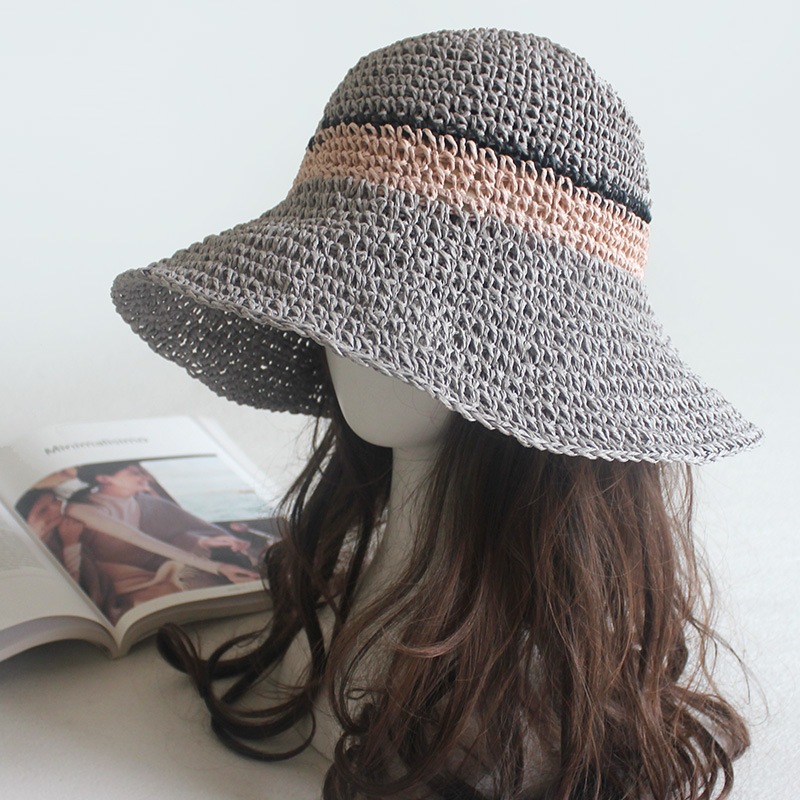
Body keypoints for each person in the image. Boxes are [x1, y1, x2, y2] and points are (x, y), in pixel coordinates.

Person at [110, 29, 764, 800]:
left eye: (391, 299)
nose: (343, 333)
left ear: (526, 345)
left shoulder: (519, 707)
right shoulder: (340, 610)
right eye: (340, 290)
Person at [65, 461, 259, 597]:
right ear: (104, 478)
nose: (145, 477)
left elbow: (184, 528)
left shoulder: (146, 502)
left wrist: (206, 541)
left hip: (160, 562)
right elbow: (142, 540)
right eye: (135, 472)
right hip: (120, 578)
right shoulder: (83, 509)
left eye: (143, 471)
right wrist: (218, 568)